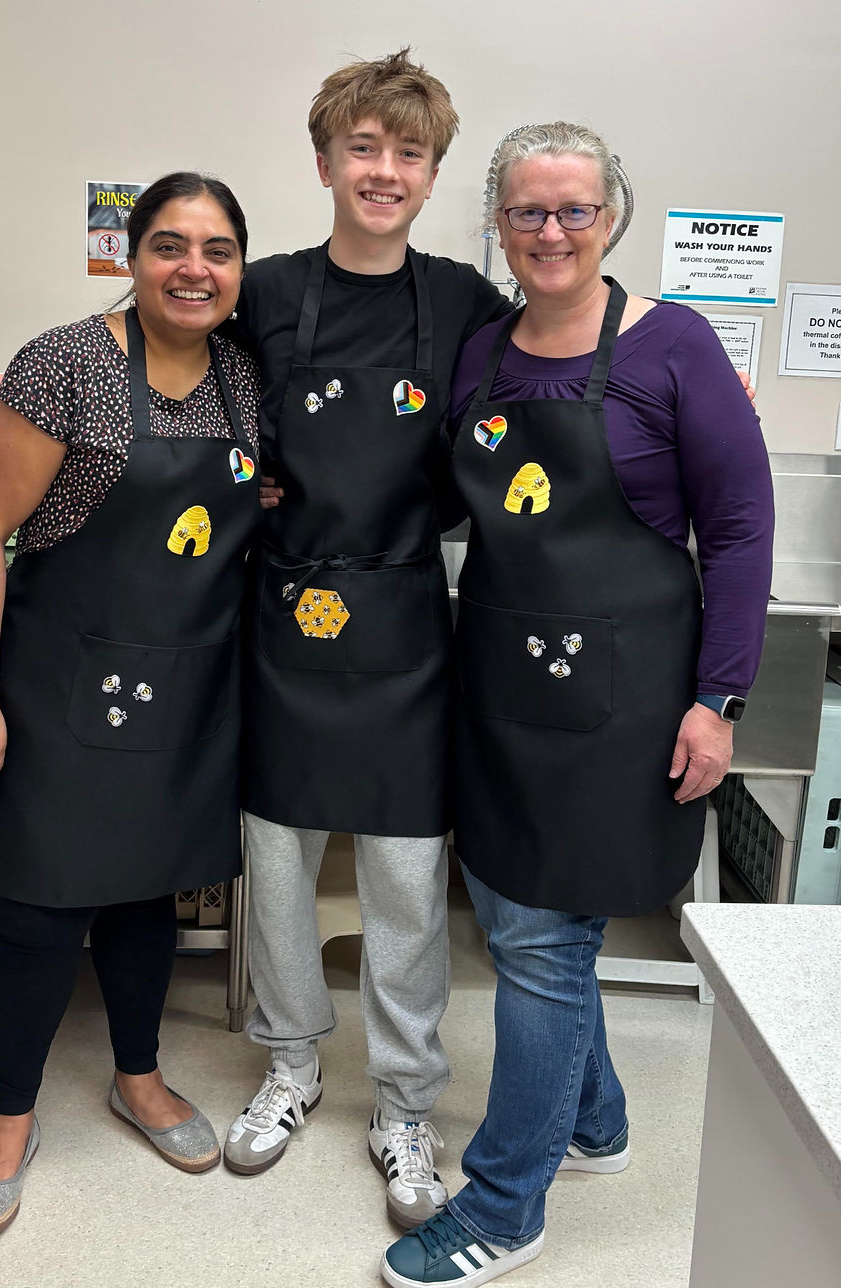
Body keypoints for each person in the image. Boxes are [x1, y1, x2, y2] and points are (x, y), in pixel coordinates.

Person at [381, 122, 774, 1286]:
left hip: (627, 700)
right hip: (501, 682)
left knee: (546, 946)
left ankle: (506, 1203)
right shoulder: (483, 352)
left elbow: (742, 530)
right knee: (512, 922)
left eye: (573, 210)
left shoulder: (674, 347)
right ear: (495, 224)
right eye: (524, 213)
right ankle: (594, 1121)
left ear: (612, 213)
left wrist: (720, 696)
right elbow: (447, 500)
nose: (549, 233)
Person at [225, 51, 515, 1227]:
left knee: (403, 885)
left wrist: (697, 387)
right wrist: (24, 399)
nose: (382, 170)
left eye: (406, 153)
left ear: (432, 171)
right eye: (362, 147)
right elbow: (158, 365)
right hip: (283, 616)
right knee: (280, 871)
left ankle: (404, 1103)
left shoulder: (462, 303)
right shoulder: (261, 289)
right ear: (324, 159)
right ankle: (291, 1064)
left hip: (403, 620)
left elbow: (554, 381)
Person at [0, 171, 262, 1238]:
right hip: (55, 682)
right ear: (131, 257)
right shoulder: (65, 363)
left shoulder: (240, 376)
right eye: (170, 245)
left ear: (236, 272)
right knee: (39, 910)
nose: (193, 268)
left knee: (144, 898)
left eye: (217, 251)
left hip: (181, 689)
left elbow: (255, 498)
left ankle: (138, 1076)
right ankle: (9, 1116)